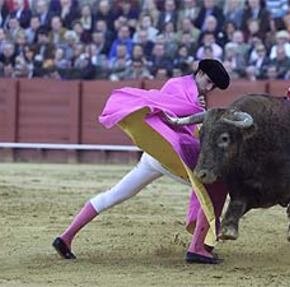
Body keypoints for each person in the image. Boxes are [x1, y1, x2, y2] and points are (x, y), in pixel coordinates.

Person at [53, 59, 231, 264]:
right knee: (213, 185)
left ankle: (65, 238)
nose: (209, 88)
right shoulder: (177, 86)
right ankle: (198, 248)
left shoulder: (193, 93)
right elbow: (166, 114)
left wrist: (198, 110)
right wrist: (195, 110)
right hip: (170, 156)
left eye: (213, 87)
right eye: (208, 81)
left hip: (155, 155)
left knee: (115, 194)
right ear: (199, 72)